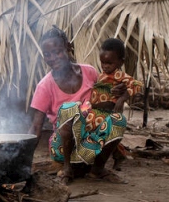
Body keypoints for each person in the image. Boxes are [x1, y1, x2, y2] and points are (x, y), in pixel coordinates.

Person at [52, 37, 143, 184]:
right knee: (70, 109)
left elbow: (137, 85)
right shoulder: (100, 75)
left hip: (100, 116)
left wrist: (122, 98)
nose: (105, 66)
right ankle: (71, 165)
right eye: (103, 62)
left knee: (116, 122)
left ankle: (97, 168)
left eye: (109, 63)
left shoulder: (119, 75)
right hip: (88, 119)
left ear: (121, 62)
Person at [27, 26, 98, 141]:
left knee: (116, 121)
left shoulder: (90, 72)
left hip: (91, 136)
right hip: (64, 143)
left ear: (68, 47)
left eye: (57, 52)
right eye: (47, 54)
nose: (52, 58)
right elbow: (36, 126)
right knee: (68, 110)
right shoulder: (44, 87)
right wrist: (24, 154)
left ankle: (112, 156)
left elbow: (104, 101)